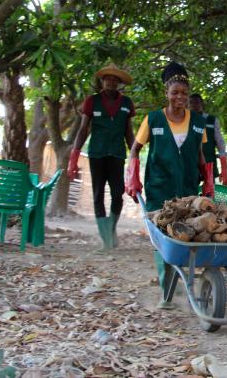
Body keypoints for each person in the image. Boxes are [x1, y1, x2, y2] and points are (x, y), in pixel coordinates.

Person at [124, 61, 214, 307]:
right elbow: (135, 148)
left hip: (187, 189)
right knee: (162, 235)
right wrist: (132, 176)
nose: (180, 97)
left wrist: (208, 181)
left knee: (184, 235)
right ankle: (167, 287)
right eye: (175, 93)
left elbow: (199, 155)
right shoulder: (153, 119)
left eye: (184, 93)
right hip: (159, 188)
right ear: (167, 93)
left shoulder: (197, 121)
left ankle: (177, 282)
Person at [68, 63, 136, 251]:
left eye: (115, 79)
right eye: (108, 78)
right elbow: (83, 130)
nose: (111, 82)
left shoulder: (126, 103)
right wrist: (74, 156)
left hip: (117, 153)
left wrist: (134, 157)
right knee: (98, 194)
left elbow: (129, 133)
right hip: (97, 153)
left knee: (118, 194)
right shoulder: (92, 101)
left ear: (119, 83)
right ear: (102, 81)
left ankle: (111, 227)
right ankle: (106, 238)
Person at [188, 94, 227, 186]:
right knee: (189, 193)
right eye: (190, 102)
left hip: (209, 162)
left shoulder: (212, 120)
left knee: (209, 192)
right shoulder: (184, 120)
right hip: (190, 163)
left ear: (202, 103)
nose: (194, 105)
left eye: (197, 102)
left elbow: (220, 143)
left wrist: (225, 170)